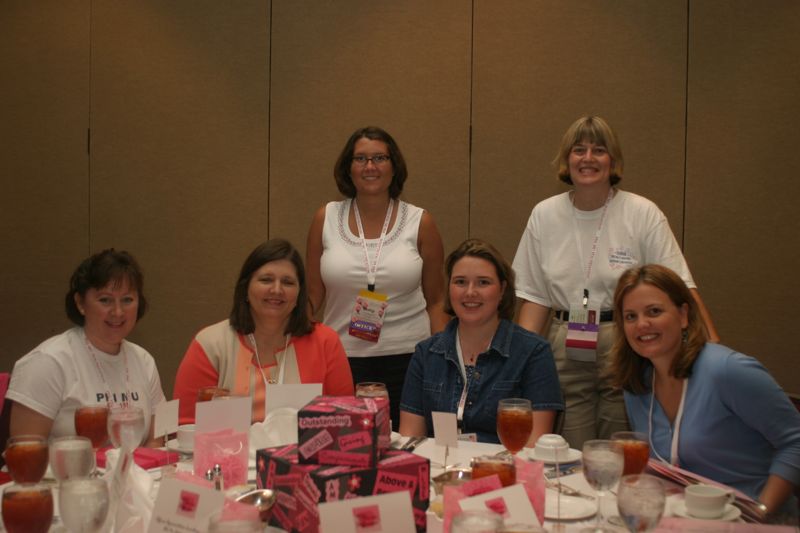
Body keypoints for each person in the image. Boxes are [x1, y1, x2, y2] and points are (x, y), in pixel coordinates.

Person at [512, 115, 719, 449]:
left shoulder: (642, 212)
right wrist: (517, 361)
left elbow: (679, 283)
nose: (588, 158)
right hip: (564, 340)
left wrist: (712, 347)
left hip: (627, 339)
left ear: (614, 160)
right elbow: (535, 297)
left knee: (621, 443)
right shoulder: (544, 214)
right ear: (567, 160)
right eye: (579, 150)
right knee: (569, 447)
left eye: (599, 150)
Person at [609, 264, 800, 522]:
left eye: (654, 311)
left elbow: (794, 441)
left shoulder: (727, 370)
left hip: (753, 521)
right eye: (630, 316)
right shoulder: (636, 384)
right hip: (684, 519)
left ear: (684, 315)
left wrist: (761, 512)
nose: (642, 324)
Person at [306, 126, 448, 430]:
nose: (370, 166)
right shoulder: (325, 218)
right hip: (340, 359)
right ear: (348, 168)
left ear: (394, 166)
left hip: (409, 359)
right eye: (360, 158)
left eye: (380, 158)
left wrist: (440, 361)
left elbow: (437, 300)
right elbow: (311, 297)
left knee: (406, 452)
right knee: (345, 450)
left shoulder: (420, 222)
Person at [399, 239, 563, 444]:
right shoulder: (426, 354)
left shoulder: (533, 353)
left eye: (483, 282)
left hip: (507, 471)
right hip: (441, 469)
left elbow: (535, 445)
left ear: (502, 290)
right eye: (460, 282)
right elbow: (410, 439)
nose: (470, 292)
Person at [174, 238, 354, 424]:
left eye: (288, 282)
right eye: (266, 280)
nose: (277, 290)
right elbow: (186, 425)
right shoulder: (210, 345)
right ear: (245, 289)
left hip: (305, 453)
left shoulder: (325, 342)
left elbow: (346, 419)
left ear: (299, 293)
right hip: (228, 452)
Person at [6, 249, 166, 446]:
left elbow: (156, 441)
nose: (117, 311)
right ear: (81, 303)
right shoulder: (48, 362)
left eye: (127, 300)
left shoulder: (144, 361)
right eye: (105, 300)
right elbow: (26, 452)